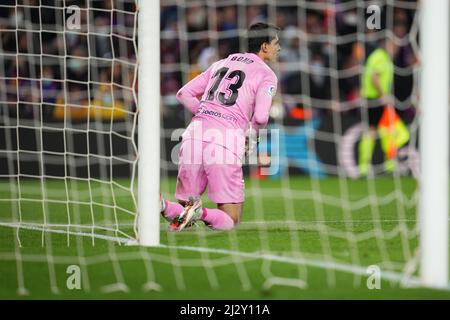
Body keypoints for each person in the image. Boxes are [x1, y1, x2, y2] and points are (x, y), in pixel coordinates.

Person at [160, 22, 281, 231]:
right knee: (231, 219)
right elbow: (261, 117)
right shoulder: (266, 74)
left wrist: (207, 113)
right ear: (264, 46)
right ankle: (200, 212)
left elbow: (183, 93)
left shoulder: (221, 63)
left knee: (185, 211)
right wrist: (252, 137)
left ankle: (160, 205)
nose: (279, 48)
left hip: (194, 136)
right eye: (276, 43)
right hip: (225, 140)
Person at [358, 36, 409, 176]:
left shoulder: (378, 56)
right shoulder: (380, 56)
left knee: (384, 130)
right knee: (377, 130)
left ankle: (385, 164)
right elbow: (374, 76)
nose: (396, 48)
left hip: (373, 99)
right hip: (375, 99)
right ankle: (377, 165)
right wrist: (383, 95)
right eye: (394, 45)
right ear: (386, 44)